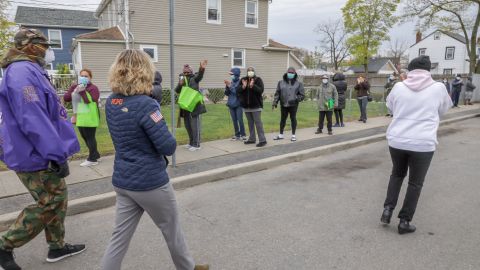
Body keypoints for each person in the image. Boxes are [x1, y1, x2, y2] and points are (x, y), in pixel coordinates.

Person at [102, 49, 209, 270]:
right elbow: (167, 146)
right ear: (144, 72)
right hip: (150, 181)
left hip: (123, 180)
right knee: (172, 230)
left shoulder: (111, 102)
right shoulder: (147, 105)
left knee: (119, 237)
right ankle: (187, 268)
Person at [0, 28, 85, 270]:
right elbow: (33, 118)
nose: (47, 50)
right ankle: (5, 245)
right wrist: (55, 154)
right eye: (43, 45)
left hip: (35, 150)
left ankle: (57, 246)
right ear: (30, 47)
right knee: (52, 200)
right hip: (35, 153)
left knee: (55, 197)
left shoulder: (29, 70)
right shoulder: (22, 72)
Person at [380, 56, 452, 235]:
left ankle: (387, 210)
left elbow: (390, 107)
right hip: (422, 142)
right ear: (429, 70)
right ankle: (404, 221)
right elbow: (444, 110)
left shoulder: (398, 86)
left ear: (410, 70)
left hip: (397, 139)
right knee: (415, 183)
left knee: (397, 174)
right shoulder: (438, 88)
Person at [64, 68, 101, 167]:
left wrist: (82, 91)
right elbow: (66, 98)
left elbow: (91, 100)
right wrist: (72, 89)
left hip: (90, 116)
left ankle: (92, 159)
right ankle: (95, 154)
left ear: (90, 77)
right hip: (80, 115)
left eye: (86, 76)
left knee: (90, 137)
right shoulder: (76, 86)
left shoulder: (93, 88)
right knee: (84, 136)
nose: (84, 78)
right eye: (82, 76)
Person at [174, 61, 208, 151]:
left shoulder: (194, 78)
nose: (186, 73)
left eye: (187, 71)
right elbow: (177, 90)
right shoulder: (182, 79)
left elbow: (200, 76)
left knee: (194, 125)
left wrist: (202, 68)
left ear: (191, 71)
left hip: (194, 106)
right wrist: (180, 84)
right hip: (185, 106)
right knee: (188, 125)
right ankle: (191, 142)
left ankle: (197, 144)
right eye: (184, 71)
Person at [272, 67, 305, 142]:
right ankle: (281, 134)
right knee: (283, 119)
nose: (290, 74)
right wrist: (275, 102)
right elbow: (277, 93)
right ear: (286, 73)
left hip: (293, 104)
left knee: (293, 118)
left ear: (294, 74)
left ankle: (293, 135)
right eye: (289, 72)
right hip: (283, 104)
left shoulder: (298, 84)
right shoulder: (281, 82)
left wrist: (296, 98)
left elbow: (302, 95)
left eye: (292, 73)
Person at [237, 67, 267, 147]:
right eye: (249, 71)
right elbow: (238, 90)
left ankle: (262, 140)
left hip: (256, 106)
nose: (250, 72)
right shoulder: (243, 79)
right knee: (250, 123)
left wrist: (252, 86)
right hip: (246, 106)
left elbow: (261, 90)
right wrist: (243, 86)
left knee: (258, 123)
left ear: (253, 72)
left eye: (251, 71)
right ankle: (252, 139)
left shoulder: (258, 79)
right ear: (247, 72)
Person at [224, 67, 246, 141]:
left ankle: (243, 135)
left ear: (236, 74)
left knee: (240, 120)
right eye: (230, 74)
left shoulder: (240, 82)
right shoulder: (231, 82)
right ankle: (237, 135)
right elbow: (227, 93)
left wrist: (230, 86)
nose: (231, 76)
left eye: (232, 74)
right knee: (234, 120)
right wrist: (227, 86)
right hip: (231, 104)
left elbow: (237, 92)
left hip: (238, 104)